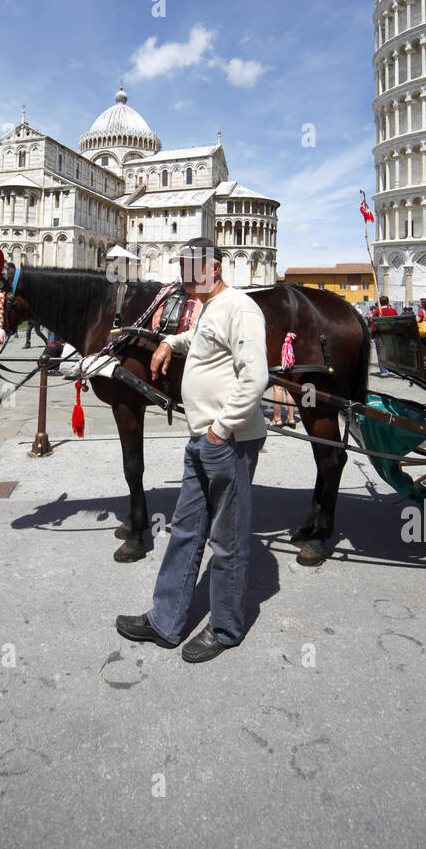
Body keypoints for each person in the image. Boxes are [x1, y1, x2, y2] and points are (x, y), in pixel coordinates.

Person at [116, 238, 269, 663]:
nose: (184, 274)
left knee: (227, 538)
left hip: (228, 440)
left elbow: (256, 377)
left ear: (214, 268)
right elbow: (203, 340)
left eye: (191, 266)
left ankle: (226, 628)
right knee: (186, 529)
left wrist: (220, 430)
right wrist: (170, 342)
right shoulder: (209, 309)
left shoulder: (240, 307)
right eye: (181, 266)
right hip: (203, 439)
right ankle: (166, 620)